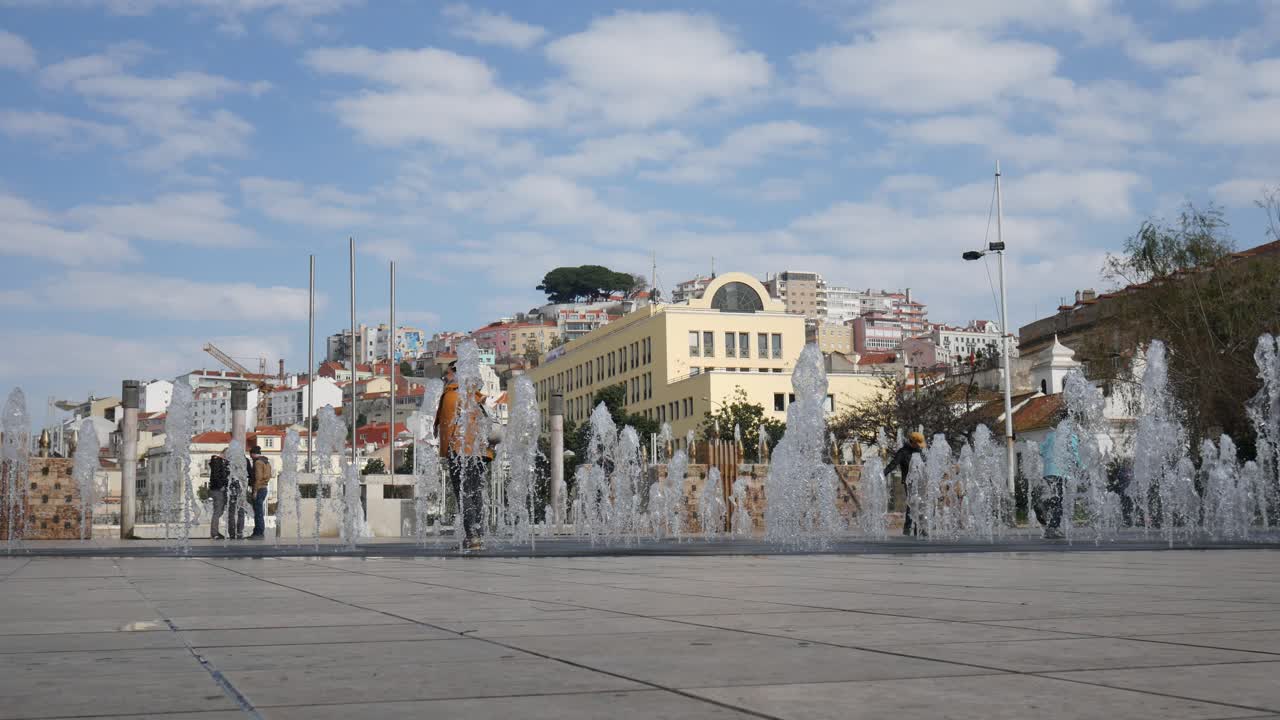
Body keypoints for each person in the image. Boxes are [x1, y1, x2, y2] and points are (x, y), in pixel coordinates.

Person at [435, 361, 492, 550]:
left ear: (455, 373)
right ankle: (480, 534)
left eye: (448, 373)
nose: (446, 377)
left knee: (464, 492)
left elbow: (446, 426)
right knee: (476, 492)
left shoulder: (451, 395)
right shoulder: (475, 397)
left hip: (459, 451)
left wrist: (445, 451)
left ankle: (472, 536)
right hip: (479, 452)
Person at [884, 432, 927, 537]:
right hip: (909, 482)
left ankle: (913, 528)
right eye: (918, 443)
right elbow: (893, 464)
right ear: (912, 442)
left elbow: (926, 465)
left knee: (920, 503)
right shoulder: (903, 452)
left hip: (921, 482)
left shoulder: (920, 452)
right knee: (913, 503)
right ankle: (912, 528)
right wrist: (882, 474)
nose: (919, 446)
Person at [1037, 429, 1076, 540]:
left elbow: (1041, 451)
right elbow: (1075, 453)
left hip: (1048, 471)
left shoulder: (1050, 435)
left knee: (1057, 498)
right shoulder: (1070, 435)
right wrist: (1082, 467)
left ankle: (1046, 507)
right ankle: (1052, 527)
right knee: (1060, 500)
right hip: (1059, 472)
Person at [248, 445, 272, 539]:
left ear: (253, 454)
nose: (250, 457)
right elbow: (268, 475)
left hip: (259, 488)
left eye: (250, 455)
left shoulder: (258, 462)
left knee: (258, 512)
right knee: (259, 511)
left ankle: (258, 533)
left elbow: (258, 477)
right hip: (264, 488)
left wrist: (254, 491)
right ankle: (257, 532)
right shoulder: (266, 462)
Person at [208, 452, 229, 539]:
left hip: (217, 489)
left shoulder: (220, 462)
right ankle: (214, 533)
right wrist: (221, 486)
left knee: (219, 511)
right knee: (217, 511)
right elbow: (216, 475)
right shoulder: (218, 462)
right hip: (217, 489)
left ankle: (215, 532)